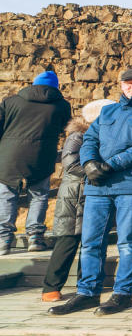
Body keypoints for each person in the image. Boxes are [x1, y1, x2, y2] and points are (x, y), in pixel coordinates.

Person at [49, 68, 132, 316]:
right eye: (128, 83)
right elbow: (89, 139)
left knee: (127, 242)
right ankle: (87, 292)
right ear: (121, 85)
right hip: (98, 186)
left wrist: (111, 164)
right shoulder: (108, 111)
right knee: (91, 242)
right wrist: (89, 163)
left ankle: (123, 293)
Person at [40, 99, 115, 302]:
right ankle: (51, 287)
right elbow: (70, 163)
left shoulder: (107, 136)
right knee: (68, 240)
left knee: (93, 241)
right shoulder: (78, 135)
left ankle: (87, 283)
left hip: (95, 192)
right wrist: (99, 172)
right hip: (75, 193)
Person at [0, 71, 72, 255]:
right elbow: (67, 129)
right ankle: (35, 237)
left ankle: (4, 239)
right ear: (55, 87)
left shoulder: (11, 102)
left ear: (33, 84)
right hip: (42, 155)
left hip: (9, 156)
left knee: (7, 195)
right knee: (38, 195)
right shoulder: (62, 106)